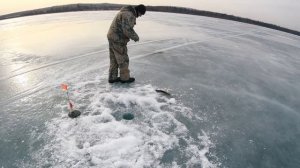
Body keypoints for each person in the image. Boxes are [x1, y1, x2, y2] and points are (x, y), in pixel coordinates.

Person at [107, 4, 146, 83]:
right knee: (123, 59)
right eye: (141, 14)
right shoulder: (129, 14)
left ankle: (112, 77)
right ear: (139, 11)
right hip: (118, 39)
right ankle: (125, 78)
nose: (140, 16)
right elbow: (127, 29)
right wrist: (135, 37)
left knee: (114, 59)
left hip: (112, 36)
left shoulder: (125, 12)